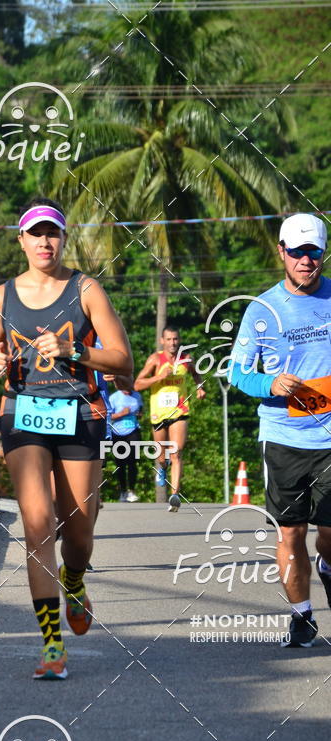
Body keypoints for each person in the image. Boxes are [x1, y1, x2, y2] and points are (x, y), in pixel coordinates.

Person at [0, 198, 133, 679]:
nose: (45, 241)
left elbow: (124, 363)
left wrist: (75, 349)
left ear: (63, 239)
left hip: (81, 414)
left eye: (53, 233)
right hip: (23, 413)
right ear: (20, 240)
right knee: (37, 522)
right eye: (35, 233)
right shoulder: (1, 297)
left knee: (79, 533)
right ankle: (51, 646)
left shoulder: (86, 289)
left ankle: (74, 578)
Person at [229, 212, 331, 649]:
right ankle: (302, 615)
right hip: (284, 438)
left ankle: (327, 567)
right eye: (297, 251)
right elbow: (236, 372)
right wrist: (267, 382)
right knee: (291, 533)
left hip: (330, 441)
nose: (305, 260)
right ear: (281, 252)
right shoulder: (262, 310)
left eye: (314, 252)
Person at [134, 326, 205, 511]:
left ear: (179, 340)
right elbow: (137, 384)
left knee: (177, 452)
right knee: (162, 455)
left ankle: (175, 495)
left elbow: (197, 375)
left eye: (175, 339)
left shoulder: (186, 359)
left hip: (179, 411)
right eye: (169, 339)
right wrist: (158, 377)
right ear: (162, 341)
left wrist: (199, 387)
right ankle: (161, 466)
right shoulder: (155, 359)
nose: (172, 343)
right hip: (159, 413)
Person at [109, 378, 143, 501]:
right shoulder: (113, 398)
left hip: (133, 430)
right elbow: (108, 416)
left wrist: (140, 413)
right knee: (120, 464)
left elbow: (141, 410)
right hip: (117, 433)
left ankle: (132, 491)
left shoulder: (137, 396)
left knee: (133, 462)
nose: (128, 390)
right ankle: (123, 491)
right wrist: (121, 414)